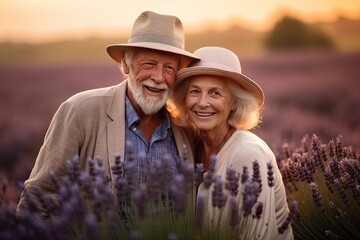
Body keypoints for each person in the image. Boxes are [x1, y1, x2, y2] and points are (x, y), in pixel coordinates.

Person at [17, 11, 199, 218]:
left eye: (169, 68)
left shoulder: (187, 129)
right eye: (149, 64)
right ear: (125, 65)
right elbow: (39, 197)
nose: (158, 77)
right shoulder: (80, 111)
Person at [169, 46, 294, 239]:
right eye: (195, 91)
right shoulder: (192, 147)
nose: (202, 103)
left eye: (215, 93)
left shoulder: (248, 155)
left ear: (234, 103)